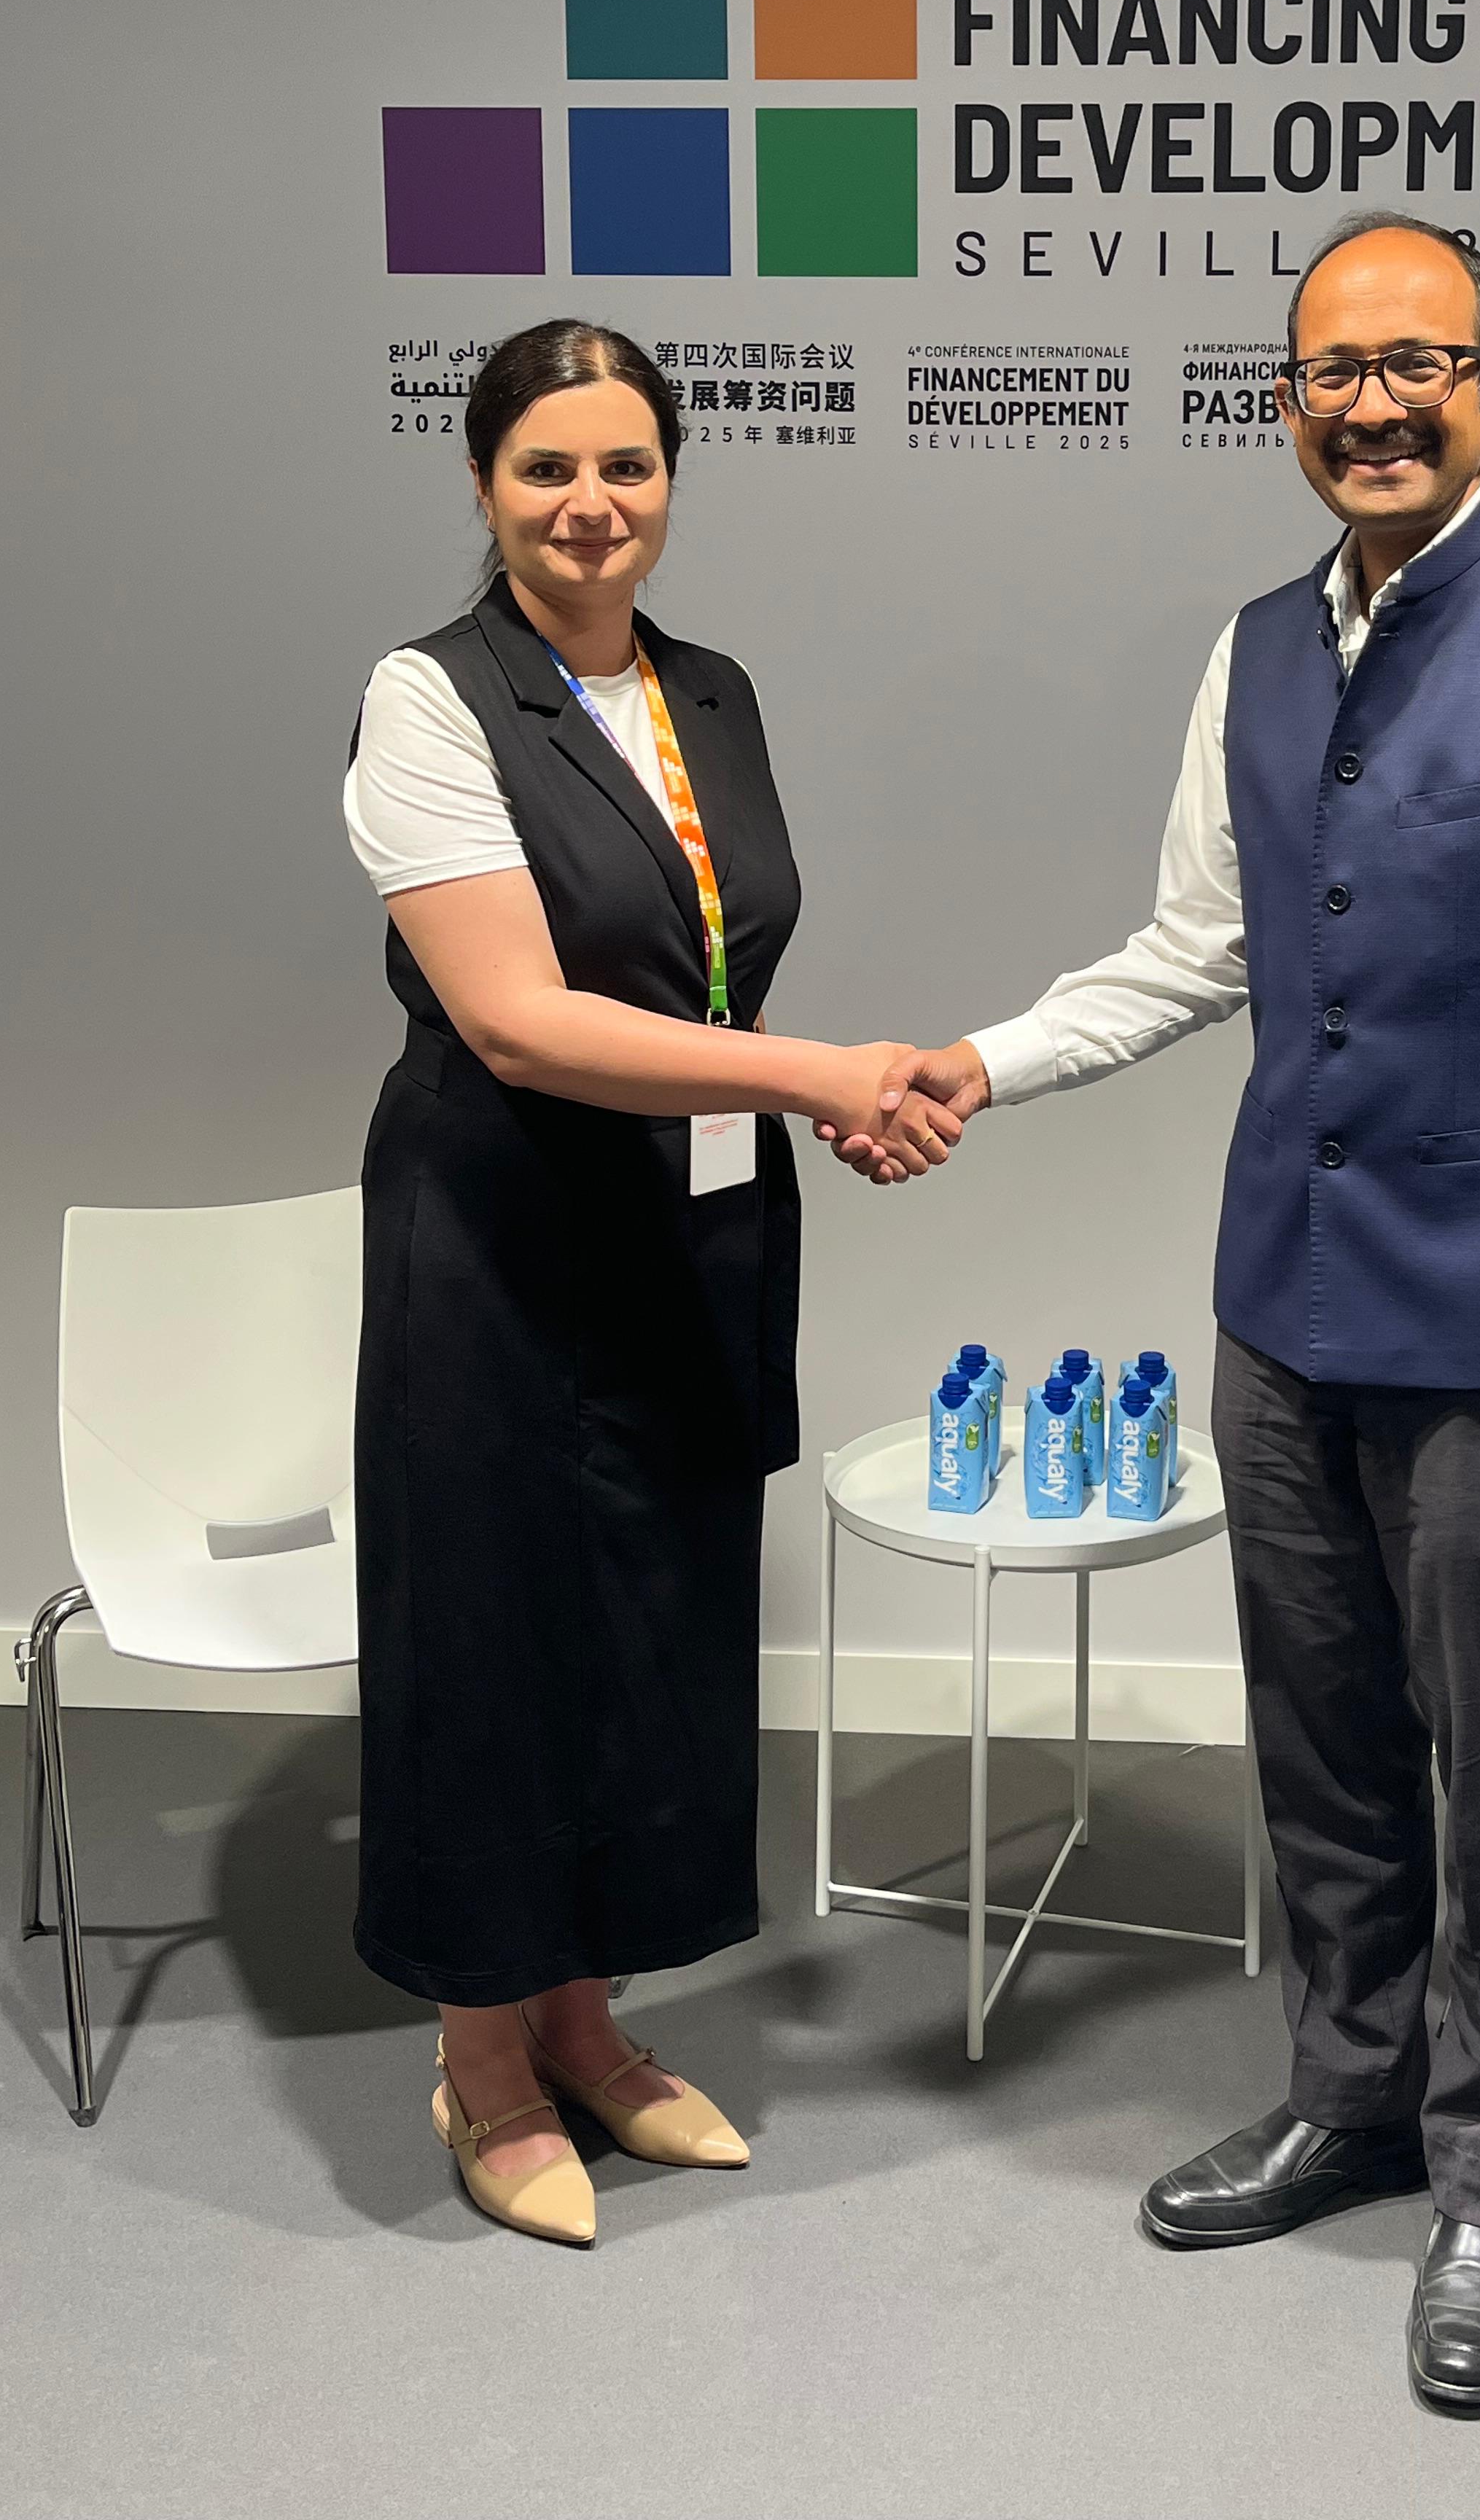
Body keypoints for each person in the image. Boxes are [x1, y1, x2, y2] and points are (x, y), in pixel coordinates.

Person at [829, 214, 1480, 2406]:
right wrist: (980, 1063)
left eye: (1420, 364)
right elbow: (1196, 948)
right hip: (1286, 1305)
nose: (1374, 405)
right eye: (1334, 370)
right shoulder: (1254, 650)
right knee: (1321, 1749)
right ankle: (1354, 2099)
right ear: (1286, 403)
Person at [344, 318, 962, 2247]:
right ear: (483, 485)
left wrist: (813, 1098)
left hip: (689, 1225)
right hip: (500, 1238)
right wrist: (816, 1077)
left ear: (670, 481)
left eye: (626, 466)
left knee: (656, 1624)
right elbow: (518, 1021)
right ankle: (483, 2055)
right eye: (546, 468)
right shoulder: (429, 700)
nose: (591, 505)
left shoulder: (712, 692)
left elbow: (709, 961)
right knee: (496, 1635)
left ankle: (591, 2022)